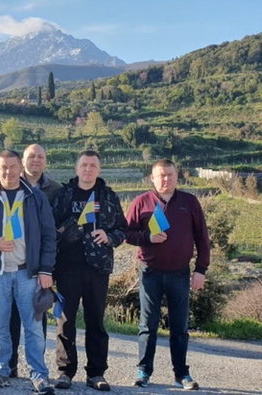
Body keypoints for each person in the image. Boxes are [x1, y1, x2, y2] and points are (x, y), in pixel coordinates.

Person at [0, 150, 56, 394]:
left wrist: (46, 269)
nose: (8, 172)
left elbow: (49, 235)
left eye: (13, 167)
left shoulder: (36, 198)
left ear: (20, 168)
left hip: (29, 274)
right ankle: (1, 371)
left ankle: (39, 375)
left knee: (34, 327)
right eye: (3, 167)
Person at [126, 159, 210, 390]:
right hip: (150, 272)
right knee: (148, 325)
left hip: (180, 274)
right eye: (161, 176)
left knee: (180, 327)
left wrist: (200, 270)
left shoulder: (189, 202)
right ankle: (143, 371)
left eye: (170, 175)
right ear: (152, 178)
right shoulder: (141, 202)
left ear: (177, 176)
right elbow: (126, 233)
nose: (166, 179)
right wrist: (147, 238)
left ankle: (181, 374)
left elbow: (202, 238)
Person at [49, 150, 127, 391]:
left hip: (98, 268)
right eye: (84, 165)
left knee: (96, 322)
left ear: (99, 169)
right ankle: (65, 372)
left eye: (93, 165)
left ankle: (96, 374)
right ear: (76, 168)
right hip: (67, 268)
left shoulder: (109, 197)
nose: (88, 169)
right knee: (65, 321)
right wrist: (67, 231)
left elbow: (122, 230)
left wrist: (109, 235)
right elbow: (49, 230)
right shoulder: (63, 195)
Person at [9, 144, 62, 377]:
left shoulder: (56, 190)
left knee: (38, 315)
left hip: (42, 264)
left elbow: (57, 227)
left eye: (41, 156)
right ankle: (9, 366)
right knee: (11, 316)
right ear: (23, 161)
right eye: (32, 156)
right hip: (13, 261)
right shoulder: (9, 184)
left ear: (46, 161)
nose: (36, 161)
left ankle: (37, 368)